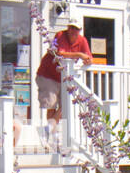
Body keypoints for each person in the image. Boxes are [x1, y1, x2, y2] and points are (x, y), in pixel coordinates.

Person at [35, 20, 92, 151]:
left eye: (76, 29)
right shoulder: (60, 35)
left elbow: (89, 57)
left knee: (64, 106)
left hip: (63, 77)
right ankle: (52, 140)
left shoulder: (82, 41)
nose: (73, 31)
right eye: (71, 28)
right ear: (68, 28)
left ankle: (46, 132)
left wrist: (87, 59)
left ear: (79, 30)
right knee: (51, 105)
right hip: (48, 75)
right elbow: (59, 53)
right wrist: (79, 55)